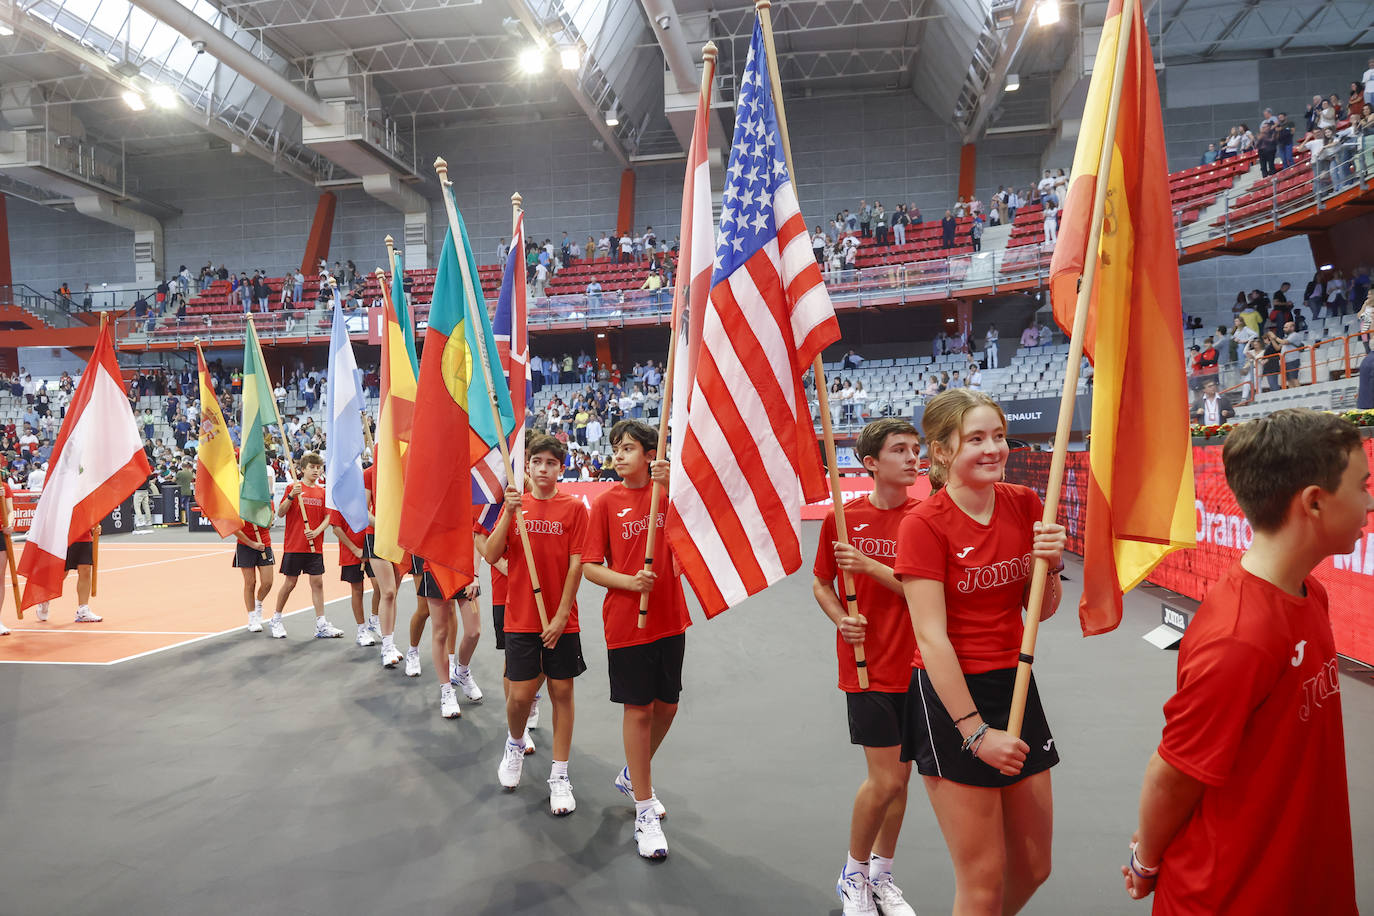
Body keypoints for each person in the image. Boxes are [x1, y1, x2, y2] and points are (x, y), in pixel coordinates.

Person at [1121, 409, 1366, 914]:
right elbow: (1172, 774)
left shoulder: (1309, 592)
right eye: (1363, 485)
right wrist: (1146, 862)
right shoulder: (1240, 637)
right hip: (1233, 892)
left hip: (1300, 875)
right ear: (1314, 502)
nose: (1368, 502)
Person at [894, 389, 1067, 915]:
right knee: (983, 877)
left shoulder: (1025, 503)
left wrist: (1052, 567)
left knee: (1035, 865)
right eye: (975, 439)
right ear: (943, 452)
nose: (993, 448)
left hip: (1014, 683)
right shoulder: (923, 524)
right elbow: (931, 637)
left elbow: (1042, 611)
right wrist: (974, 732)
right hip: (951, 698)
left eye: (998, 435)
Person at [813, 419, 922, 916]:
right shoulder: (843, 516)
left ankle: (882, 875)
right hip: (867, 667)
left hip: (921, 666)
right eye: (900, 449)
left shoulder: (927, 519)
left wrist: (871, 566)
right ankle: (853, 874)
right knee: (885, 781)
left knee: (901, 780)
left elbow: (928, 593)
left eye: (915, 448)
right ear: (871, 463)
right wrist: (841, 619)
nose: (912, 457)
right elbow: (821, 583)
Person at [580, 421, 689, 860]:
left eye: (629, 448)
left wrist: (672, 489)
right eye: (616, 449)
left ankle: (633, 774)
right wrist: (628, 581)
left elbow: (693, 541)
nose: (620, 455)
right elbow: (590, 566)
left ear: (650, 454)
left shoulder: (670, 498)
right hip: (628, 622)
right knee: (638, 710)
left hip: (670, 617)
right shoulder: (605, 503)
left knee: (668, 706)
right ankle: (644, 808)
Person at [482, 435, 589, 814]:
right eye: (537, 462)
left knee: (562, 693)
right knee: (520, 698)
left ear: (562, 467)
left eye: (551, 463)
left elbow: (578, 564)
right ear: (526, 466)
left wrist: (562, 615)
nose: (543, 469)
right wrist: (509, 513)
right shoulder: (515, 507)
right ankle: (514, 744)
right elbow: (492, 554)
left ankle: (559, 774)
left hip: (562, 620)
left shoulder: (575, 508)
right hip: (521, 617)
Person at [269, 453, 343, 639]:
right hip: (295, 545)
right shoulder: (292, 488)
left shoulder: (322, 492)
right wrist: (291, 497)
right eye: (312, 467)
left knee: (317, 583)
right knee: (290, 583)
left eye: (319, 468)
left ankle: (321, 624)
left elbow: (329, 517)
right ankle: (276, 619)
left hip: (314, 546)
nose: (316, 471)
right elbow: (281, 512)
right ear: (303, 469)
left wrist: (318, 531)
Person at [329, 509, 379, 648]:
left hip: (371, 547)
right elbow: (336, 529)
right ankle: (361, 630)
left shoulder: (368, 497)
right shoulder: (339, 498)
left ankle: (374, 620)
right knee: (358, 590)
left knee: (380, 586)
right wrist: (355, 549)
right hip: (351, 551)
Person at [34, 527, 103, 624]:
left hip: (84, 537)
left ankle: (83, 610)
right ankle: (45, 598)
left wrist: (94, 526)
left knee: (85, 571)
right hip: (65, 536)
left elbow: (91, 514)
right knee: (61, 573)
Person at [234, 508, 275, 633]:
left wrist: (260, 512)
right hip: (245, 545)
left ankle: (258, 603)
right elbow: (235, 529)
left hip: (264, 544)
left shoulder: (265, 501)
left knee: (268, 582)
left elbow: (268, 524)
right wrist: (251, 543)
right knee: (250, 582)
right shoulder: (239, 505)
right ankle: (252, 617)